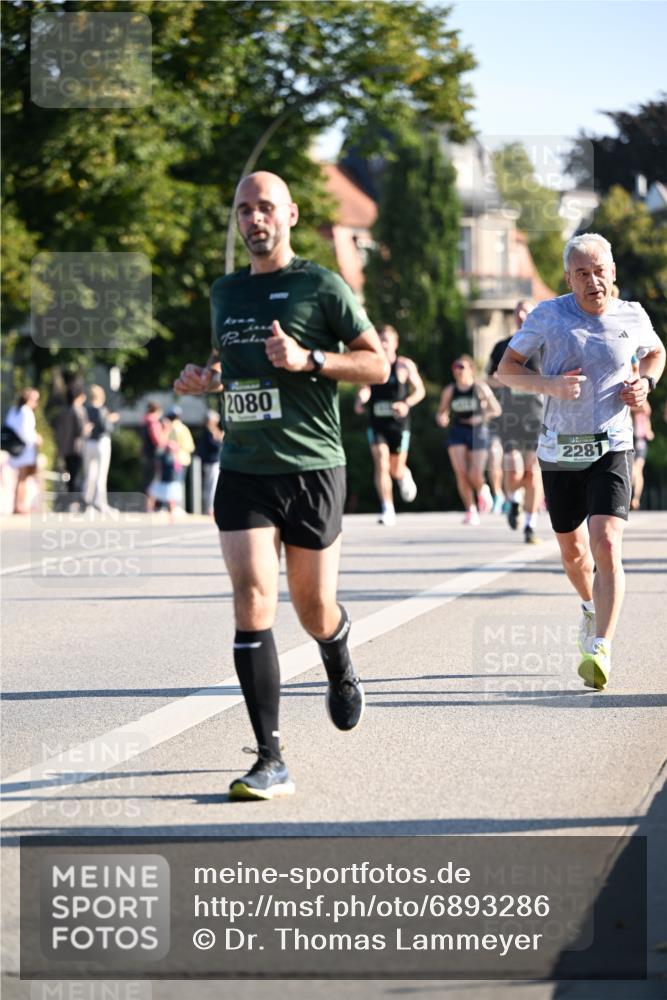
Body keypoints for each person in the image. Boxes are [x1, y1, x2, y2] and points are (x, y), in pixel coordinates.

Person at [173, 170, 388, 801]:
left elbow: (374, 361)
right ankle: (271, 756)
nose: (254, 219)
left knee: (315, 609)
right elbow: (226, 360)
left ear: (290, 215)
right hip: (244, 467)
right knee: (252, 598)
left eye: (265, 207)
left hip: (313, 465)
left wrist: (310, 361)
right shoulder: (225, 293)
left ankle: (337, 654)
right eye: (244, 210)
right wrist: (205, 378)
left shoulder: (319, 286)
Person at [498, 233, 665, 690]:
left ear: (613, 271)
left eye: (599, 271)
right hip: (559, 450)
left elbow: (655, 352)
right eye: (582, 274)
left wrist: (645, 383)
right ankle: (590, 606)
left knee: (607, 542)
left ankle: (601, 649)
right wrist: (550, 385)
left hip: (612, 442)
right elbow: (506, 369)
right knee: (574, 554)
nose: (593, 281)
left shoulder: (632, 315)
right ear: (568, 278)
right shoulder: (548, 316)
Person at [353, 324, 425, 525]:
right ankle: (387, 508)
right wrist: (361, 399)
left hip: (399, 426)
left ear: (395, 343)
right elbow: (365, 389)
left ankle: (404, 474)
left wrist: (406, 404)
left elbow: (420, 390)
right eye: (380, 339)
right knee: (381, 463)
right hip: (377, 423)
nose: (383, 344)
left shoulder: (404, 365)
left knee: (395, 469)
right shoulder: (372, 366)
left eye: (386, 340)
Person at [487, 300, 545, 544]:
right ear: (513, 317)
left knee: (532, 473)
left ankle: (530, 526)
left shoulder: (545, 344)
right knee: (513, 467)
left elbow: (556, 375)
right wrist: (505, 381)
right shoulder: (502, 346)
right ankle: (513, 500)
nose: (522, 314)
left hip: (537, 415)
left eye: (526, 310)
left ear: (534, 316)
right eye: (518, 311)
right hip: (510, 416)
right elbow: (488, 378)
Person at [436, 354, 501, 524]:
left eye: (461, 367)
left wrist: (480, 418)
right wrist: (442, 418)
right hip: (458, 431)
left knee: (474, 474)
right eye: (455, 367)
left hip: (478, 432)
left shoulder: (479, 388)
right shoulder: (450, 390)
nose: (458, 371)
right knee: (461, 473)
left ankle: (482, 489)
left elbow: (496, 409)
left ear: (471, 370)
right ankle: (470, 509)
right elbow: (441, 412)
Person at [3, 387, 42, 514]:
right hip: (24, 449)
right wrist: (36, 439)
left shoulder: (15, 410)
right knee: (23, 478)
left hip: (15, 448)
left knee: (19, 478)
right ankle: (20, 505)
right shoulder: (26, 412)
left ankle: (17, 504)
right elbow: (26, 433)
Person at [83, 384, 118, 511]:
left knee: (89, 473)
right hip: (101, 443)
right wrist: (110, 419)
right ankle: (100, 502)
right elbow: (106, 428)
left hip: (88, 443)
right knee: (101, 474)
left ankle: (87, 501)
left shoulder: (85, 410)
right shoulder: (102, 410)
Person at [55, 384, 89, 502]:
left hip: (65, 447)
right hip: (76, 448)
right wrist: (88, 428)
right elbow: (81, 430)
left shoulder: (63, 411)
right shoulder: (79, 410)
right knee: (76, 476)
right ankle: (73, 501)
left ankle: (69, 500)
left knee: (70, 475)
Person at [165, 405, 195, 510]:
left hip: (174, 459)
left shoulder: (171, 427)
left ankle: (172, 507)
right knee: (178, 484)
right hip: (184, 459)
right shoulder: (183, 427)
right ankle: (175, 507)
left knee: (173, 483)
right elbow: (191, 446)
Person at [196, 409, 224, 516]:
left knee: (210, 485)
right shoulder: (208, 432)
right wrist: (220, 439)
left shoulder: (210, 431)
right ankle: (209, 508)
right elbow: (215, 446)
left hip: (211, 462)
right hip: (211, 462)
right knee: (211, 486)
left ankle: (209, 507)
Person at [631, 401, 654, 510]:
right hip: (630, 440)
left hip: (640, 441)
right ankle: (631, 496)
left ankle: (635, 498)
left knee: (637, 471)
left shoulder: (642, 400)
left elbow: (646, 409)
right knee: (633, 472)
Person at [141, 401, 163, 504]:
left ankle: (146, 504)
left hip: (145, 454)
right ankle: (149, 505)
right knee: (153, 480)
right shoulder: (154, 423)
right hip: (153, 455)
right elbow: (158, 441)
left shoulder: (145, 421)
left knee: (146, 480)